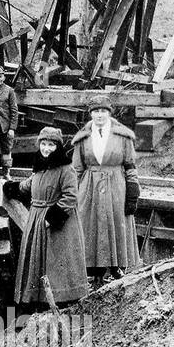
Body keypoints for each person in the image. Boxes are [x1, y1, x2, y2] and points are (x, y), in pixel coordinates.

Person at [2, 127, 88, 306]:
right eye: (43, 144)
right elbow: (30, 185)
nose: (46, 148)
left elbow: (71, 196)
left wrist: (52, 218)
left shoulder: (65, 168)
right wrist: (10, 187)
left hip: (57, 225)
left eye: (51, 145)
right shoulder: (40, 165)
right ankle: (38, 300)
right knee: (36, 263)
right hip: (36, 217)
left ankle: (62, 299)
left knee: (56, 263)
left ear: (57, 147)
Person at [71, 93, 141, 282]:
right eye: (95, 111)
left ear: (109, 113)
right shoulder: (82, 139)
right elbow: (77, 169)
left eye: (103, 111)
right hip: (89, 187)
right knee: (90, 225)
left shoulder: (123, 136)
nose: (99, 115)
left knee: (117, 222)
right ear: (90, 114)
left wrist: (133, 191)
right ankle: (94, 273)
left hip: (117, 186)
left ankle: (117, 267)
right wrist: (73, 194)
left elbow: (130, 166)